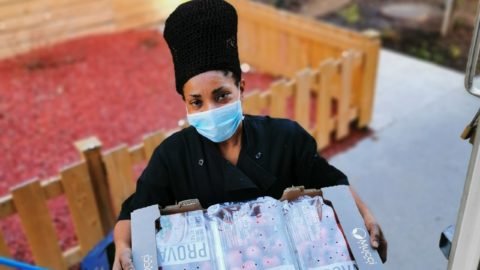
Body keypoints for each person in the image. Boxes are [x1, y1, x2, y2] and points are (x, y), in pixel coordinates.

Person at [112, 0, 387, 269]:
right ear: (184, 102)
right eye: (196, 102)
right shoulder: (172, 157)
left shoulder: (285, 138)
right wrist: (123, 248)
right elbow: (135, 212)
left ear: (241, 88)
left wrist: (365, 215)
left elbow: (333, 184)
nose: (211, 110)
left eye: (222, 96)